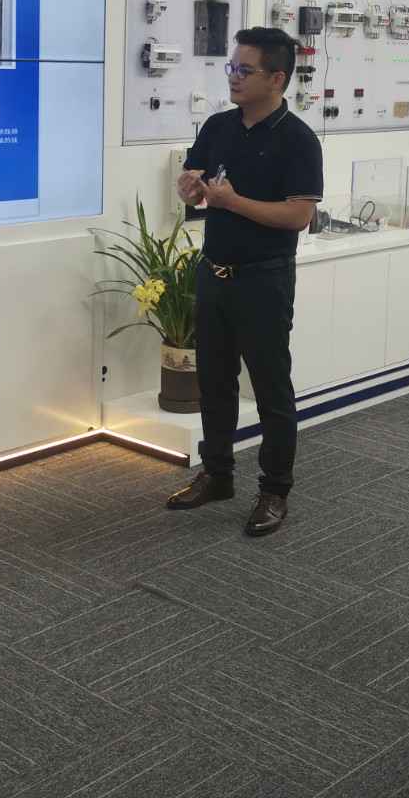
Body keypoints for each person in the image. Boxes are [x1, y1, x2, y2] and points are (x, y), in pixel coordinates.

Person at [165, 26, 323, 537]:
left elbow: (298, 216)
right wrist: (190, 189)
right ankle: (217, 474)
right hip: (214, 273)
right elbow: (196, 189)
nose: (233, 77)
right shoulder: (218, 126)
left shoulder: (298, 140)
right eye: (231, 67)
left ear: (277, 78)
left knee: (271, 388)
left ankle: (275, 490)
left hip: (264, 280)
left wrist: (232, 202)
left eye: (244, 70)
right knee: (214, 382)